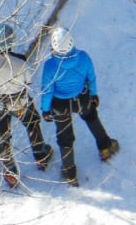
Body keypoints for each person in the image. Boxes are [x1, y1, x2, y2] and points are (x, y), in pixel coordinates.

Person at [0, 23, 53, 188]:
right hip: (19, 103)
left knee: (2, 137)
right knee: (32, 124)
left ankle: (10, 172)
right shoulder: (20, 61)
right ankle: (41, 156)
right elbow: (28, 81)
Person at [40, 26, 119, 186]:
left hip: (59, 104)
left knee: (65, 136)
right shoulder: (83, 57)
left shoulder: (50, 66)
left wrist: (45, 109)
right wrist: (93, 94)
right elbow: (91, 77)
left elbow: (47, 90)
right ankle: (105, 148)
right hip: (82, 99)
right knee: (92, 118)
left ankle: (69, 172)